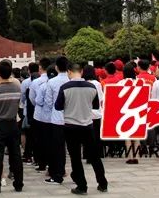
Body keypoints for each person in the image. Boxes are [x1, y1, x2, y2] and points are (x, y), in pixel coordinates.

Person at [55, 62, 108, 195]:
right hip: (87, 126)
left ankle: (82, 186)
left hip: (70, 126)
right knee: (95, 156)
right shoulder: (91, 87)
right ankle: (102, 183)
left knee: (75, 158)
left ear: (69, 72)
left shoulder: (64, 87)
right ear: (82, 72)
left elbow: (58, 106)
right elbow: (95, 106)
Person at [0, 61, 23, 193]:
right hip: (13, 123)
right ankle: (18, 184)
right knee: (15, 154)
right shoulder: (17, 86)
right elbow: (18, 103)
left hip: (0, 124)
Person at [42, 56, 70, 184]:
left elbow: (48, 101)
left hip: (57, 118)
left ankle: (58, 173)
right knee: (72, 148)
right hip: (72, 118)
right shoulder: (71, 80)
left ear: (56, 68)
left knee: (57, 148)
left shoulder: (52, 82)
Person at [29, 57, 50, 173]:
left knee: (39, 140)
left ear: (40, 67)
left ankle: (41, 163)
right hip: (53, 116)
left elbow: (33, 99)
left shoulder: (36, 82)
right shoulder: (53, 80)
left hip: (39, 115)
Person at [82, 65, 104, 159]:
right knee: (96, 135)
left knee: (86, 137)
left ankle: (87, 155)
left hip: (85, 113)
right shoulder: (97, 84)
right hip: (96, 113)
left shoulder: (83, 83)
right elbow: (101, 98)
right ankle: (98, 154)